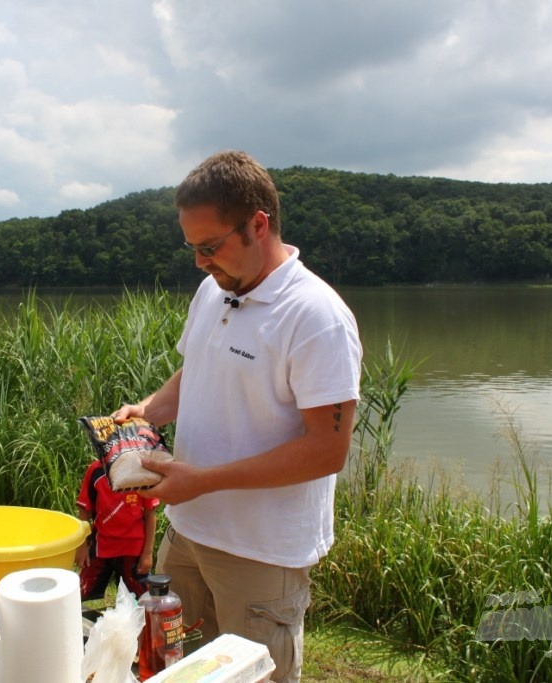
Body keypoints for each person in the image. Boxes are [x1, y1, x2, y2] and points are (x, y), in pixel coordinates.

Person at [111, 150, 362, 683]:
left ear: (259, 224)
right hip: (187, 537)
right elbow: (196, 369)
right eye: (192, 248)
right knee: (167, 668)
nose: (200, 262)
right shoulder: (215, 290)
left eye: (210, 247)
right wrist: (150, 409)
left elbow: (327, 449)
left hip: (260, 555)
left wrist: (202, 482)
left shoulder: (316, 317)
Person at [74, 457, 158, 600]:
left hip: (133, 549)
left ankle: (138, 621)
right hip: (102, 547)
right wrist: (81, 546)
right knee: (79, 594)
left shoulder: (141, 472)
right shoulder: (96, 471)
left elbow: (151, 514)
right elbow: (84, 512)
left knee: (144, 601)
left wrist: (148, 554)